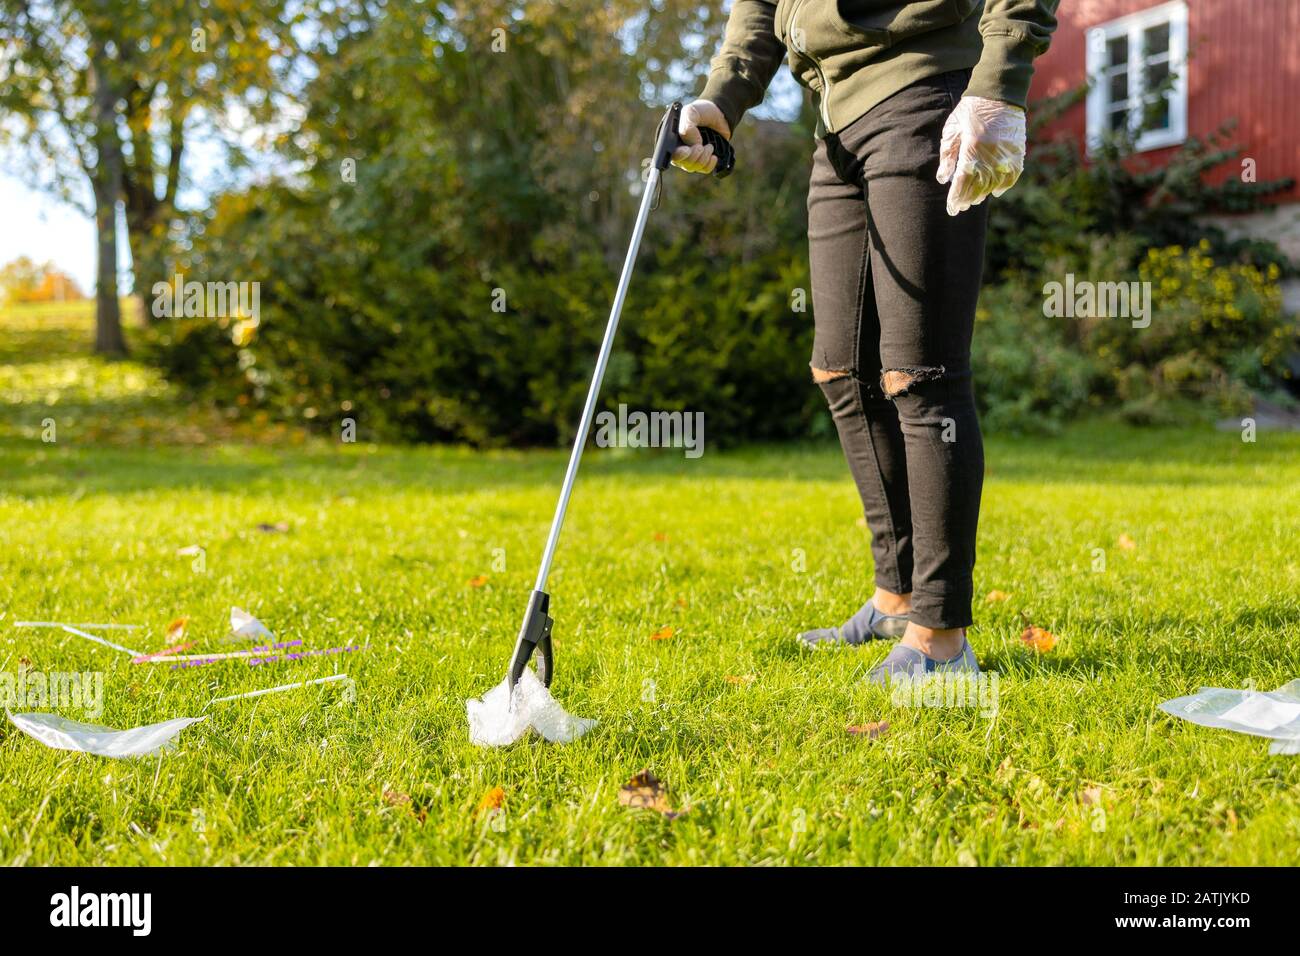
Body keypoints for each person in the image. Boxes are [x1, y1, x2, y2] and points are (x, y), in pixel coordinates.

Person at [674, 1, 1058, 682]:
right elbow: (761, 9)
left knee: (922, 373)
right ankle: (897, 596)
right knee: (842, 373)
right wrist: (720, 99)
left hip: (925, 88)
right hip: (837, 128)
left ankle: (940, 635)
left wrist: (999, 78)